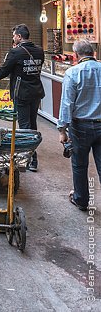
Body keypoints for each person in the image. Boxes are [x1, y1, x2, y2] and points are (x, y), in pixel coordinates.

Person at [0, 23, 44, 172]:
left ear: (19, 37)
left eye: (14, 35)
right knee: (32, 124)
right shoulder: (40, 51)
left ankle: (30, 159)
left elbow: (5, 70)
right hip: (36, 93)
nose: (13, 38)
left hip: (21, 94)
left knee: (24, 126)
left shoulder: (16, 53)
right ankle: (30, 154)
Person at [58, 40, 101, 211]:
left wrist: (62, 130)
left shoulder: (72, 73)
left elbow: (67, 103)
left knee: (80, 164)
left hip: (80, 126)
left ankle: (81, 199)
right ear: (93, 53)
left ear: (76, 56)